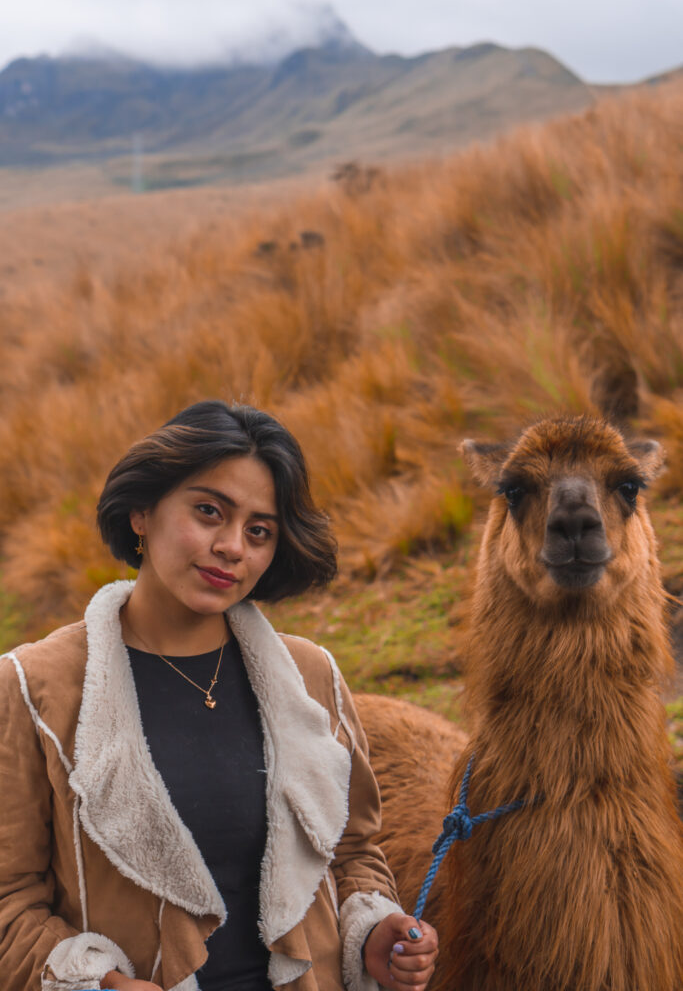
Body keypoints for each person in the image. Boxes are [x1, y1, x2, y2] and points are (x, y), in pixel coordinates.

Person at [0, 401, 438, 991]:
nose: (233, 546)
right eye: (209, 512)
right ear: (142, 511)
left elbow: (351, 855)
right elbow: (9, 903)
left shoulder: (312, 678)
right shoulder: (35, 689)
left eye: (259, 531)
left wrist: (375, 932)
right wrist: (98, 983)